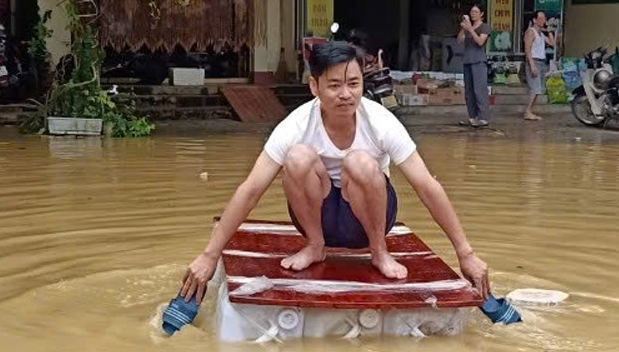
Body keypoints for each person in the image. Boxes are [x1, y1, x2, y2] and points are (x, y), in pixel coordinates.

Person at [179, 41, 490, 302]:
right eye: (335, 85)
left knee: (360, 162)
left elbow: (426, 185)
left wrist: (466, 253)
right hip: (321, 219)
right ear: (314, 86)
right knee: (298, 158)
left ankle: (379, 253)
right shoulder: (297, 125)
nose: (346, 94)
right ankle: (316, 247)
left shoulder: (380, 122)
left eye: (353, 84)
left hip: (369, 218)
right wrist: (209, 256)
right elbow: (250, 190)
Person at [458, 4, 491, 127]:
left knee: (479, 90)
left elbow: (480, 42)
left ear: (481, 14)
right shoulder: (467, 27)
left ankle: (483, 117)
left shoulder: (484, 27)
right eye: (472, 11)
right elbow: (459, 40)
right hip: (467, 60)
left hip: (478, 61)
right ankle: (472, 117)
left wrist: (471, 29)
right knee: (469, 91)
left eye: (476, 12)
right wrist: (463, 28)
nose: (473, 14)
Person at [522, 10, 555, 121]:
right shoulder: (530, 32)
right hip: (534, 61)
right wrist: (532, 65)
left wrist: (549, 31)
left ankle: (530, 110)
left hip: (541, 62)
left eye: (544, 18)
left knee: (538, 89)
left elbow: (552, 43)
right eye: (540, 18)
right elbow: (527, 49)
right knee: (535, 88)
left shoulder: (540, 34)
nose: (543, 21)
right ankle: (527, 111)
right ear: (534, 20)